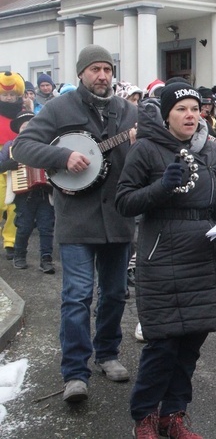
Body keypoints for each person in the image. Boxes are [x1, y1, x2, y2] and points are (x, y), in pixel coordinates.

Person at [12, 44, 138, 403]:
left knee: (115, 293)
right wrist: (63, 156)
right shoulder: (58, 108)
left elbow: (142, 157)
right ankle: (74, 372)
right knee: (77, 296)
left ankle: (109, 354)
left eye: (107, 70)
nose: (102, 76)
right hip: (76, 219)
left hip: (118, 217)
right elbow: (22, 146)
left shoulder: (128, 112)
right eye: (95, 69)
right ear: (82, 73)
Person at [116, 81, 216, 439]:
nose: (190, 115)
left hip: (201, 255)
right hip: (161, 255)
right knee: (163, 343)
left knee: (190, 344)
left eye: (195, 109)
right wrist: (161, 187)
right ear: (167, 114)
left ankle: (174, 415)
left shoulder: (211, 151)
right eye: (181, 109)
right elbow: (124, 202)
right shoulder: (147, 149)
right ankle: (145, 416)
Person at [0, 111, 55, 273]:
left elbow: (57, 164)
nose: (28, 129)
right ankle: (19, 255)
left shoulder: (48, 145)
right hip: (23, 194)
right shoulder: (10, 146)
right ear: (18, 129)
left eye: (31, 125)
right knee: (24, 226)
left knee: (46, 227)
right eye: (24, 126)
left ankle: (46, 259)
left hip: (45, 192)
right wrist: (8, 165)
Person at [0, 72, 24, 261]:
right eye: (5, 95)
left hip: (16, 161)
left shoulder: (22, 114)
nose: (8, 98)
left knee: (13, 206)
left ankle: (10, 241)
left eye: (12, 95)